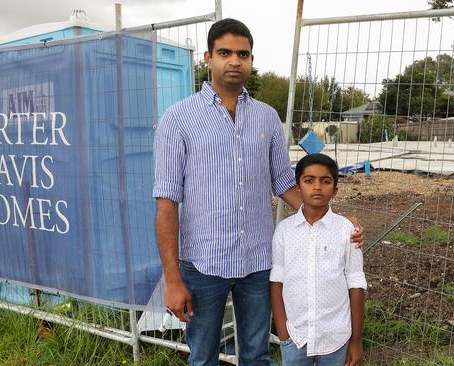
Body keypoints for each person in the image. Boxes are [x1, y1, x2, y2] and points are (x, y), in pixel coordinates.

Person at [153, 18, 363, 365]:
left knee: (257, 354)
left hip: (257, 262)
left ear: (251, 60)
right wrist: (172, 279)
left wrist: (337, 223)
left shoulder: (267, 118)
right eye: (225, 53)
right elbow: (166, 202)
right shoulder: (178, 119)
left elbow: (284, 182)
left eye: (243, 54)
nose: (234, 61)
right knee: (203, 358)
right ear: (208, 58)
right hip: (203, 264)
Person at [270, 153, 366, 366]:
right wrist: (283, 333)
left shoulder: (347, 231)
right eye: (308, 180)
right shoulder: (284, 231)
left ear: (335, 189)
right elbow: (277, 282)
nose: (317, 187)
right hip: (295, 337)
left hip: (336, 338)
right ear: (298, 187)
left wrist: (356, 341)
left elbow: (356, 284)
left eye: (325, 181)